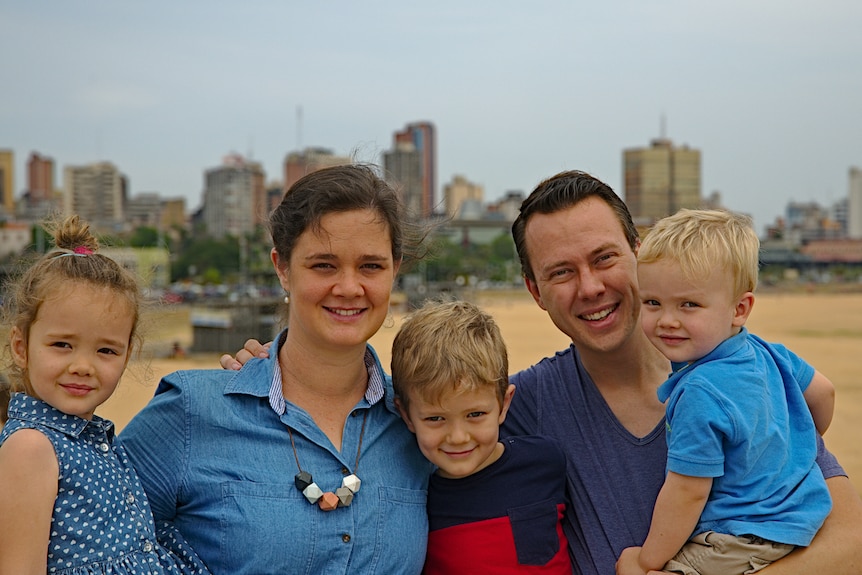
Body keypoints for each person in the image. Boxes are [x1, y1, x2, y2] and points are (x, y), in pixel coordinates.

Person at [225, 170, 862, 575]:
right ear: (534, 290)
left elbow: (850, 535)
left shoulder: (740, 375)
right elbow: (420, 409)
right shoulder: (521, 404)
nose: (590, 287)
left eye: (605, 258)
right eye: (560, 272)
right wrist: (279, 371)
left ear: (641, 257)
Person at [120, 164, 435, 574]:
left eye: (370, 266)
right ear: (282, 268)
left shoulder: (419, 423)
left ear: (395, 269)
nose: (348, 287)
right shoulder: (192, 413)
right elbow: (92, 538)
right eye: (323, 265)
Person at [626, 208, 833, 575]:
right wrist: (792, 449)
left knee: (629, 567)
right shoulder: (772, 354)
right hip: (804, 517)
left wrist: (647, 560)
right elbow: (824, 393)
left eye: (689, 304)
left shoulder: (700, 391)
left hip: (739, 536)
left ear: (740, 308)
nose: (667, 319)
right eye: (653, 302)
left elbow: (688, 492)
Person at [0, 215, 209, 575]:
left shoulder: (93, 439)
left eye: (106, 351)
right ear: (21, 346)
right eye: (62, 345)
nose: (83, 366)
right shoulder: (31, 447)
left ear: (128, 354)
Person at [391, 299, 571, 574]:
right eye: (435, 419)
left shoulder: (545, 462)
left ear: (504, 404)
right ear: (406, 415)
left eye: (475, 415)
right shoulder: (415, 498)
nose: (458, 437)